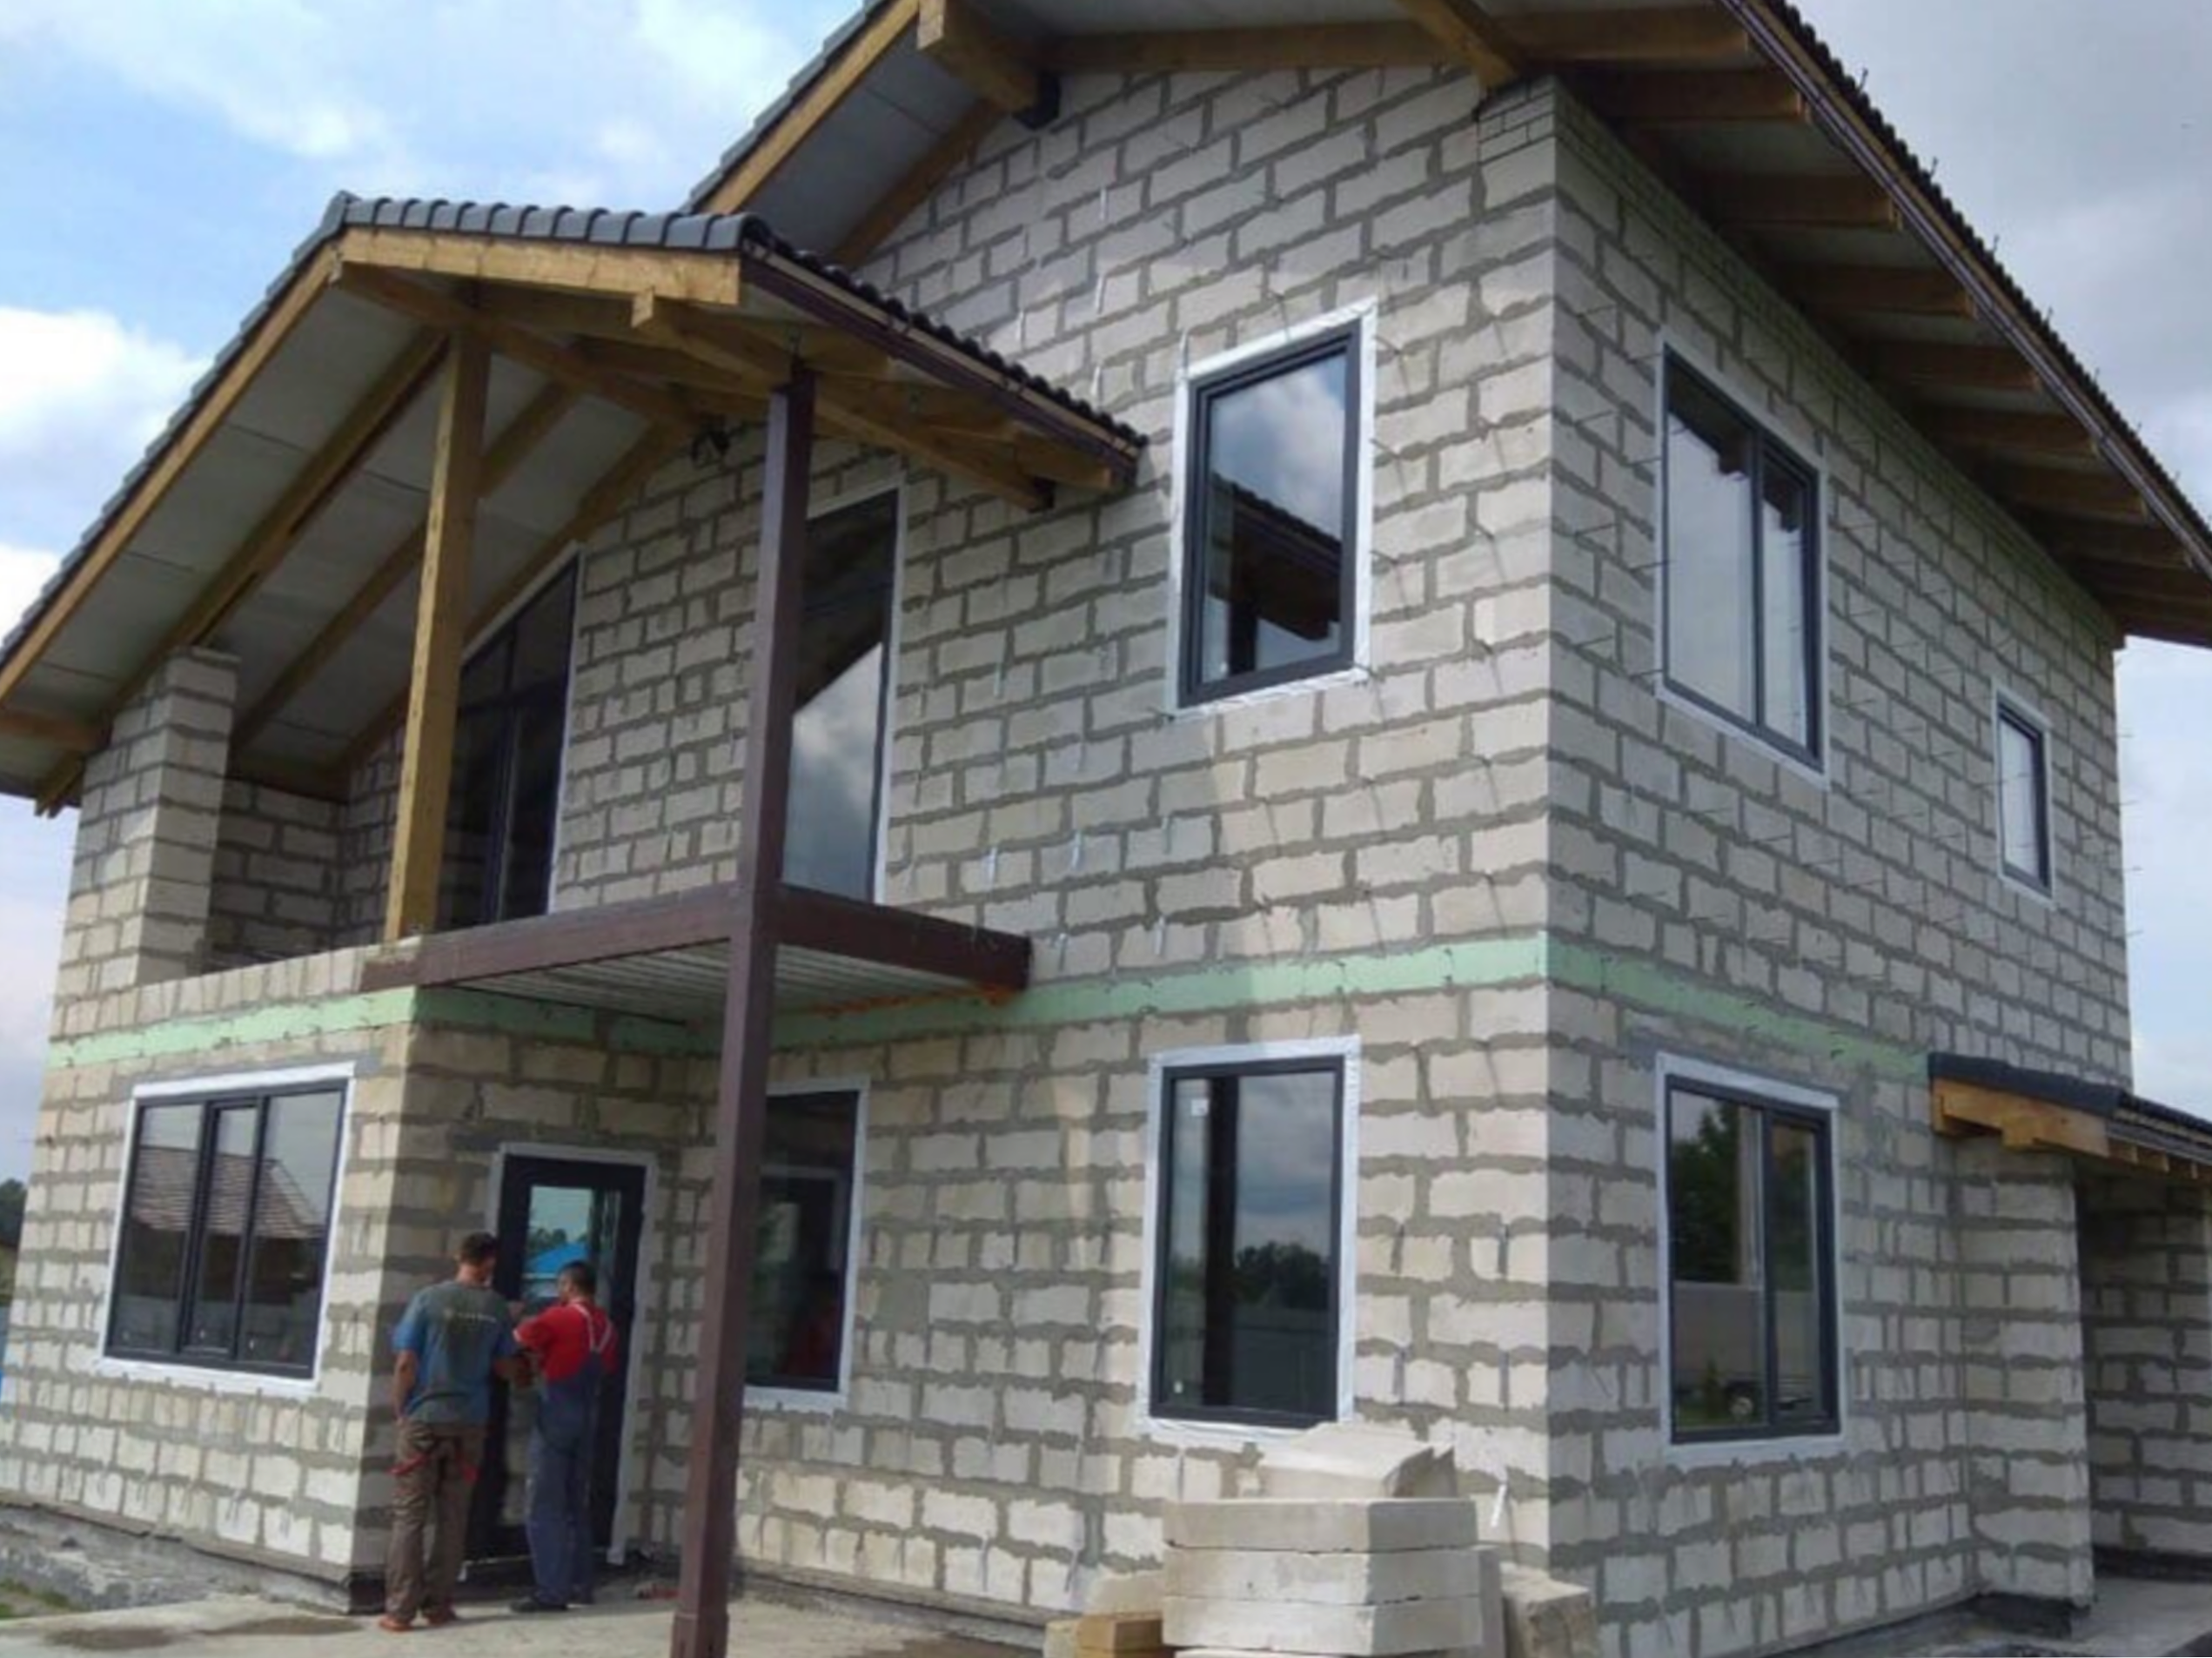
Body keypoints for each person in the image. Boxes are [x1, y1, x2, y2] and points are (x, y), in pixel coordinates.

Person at [381, 1232, 519, 1635]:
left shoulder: (429, 1300)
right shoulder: (495, 1307)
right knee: (454, 1517)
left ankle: (400, 1611)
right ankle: (439, 1604)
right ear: (491, 1262)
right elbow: (505, 1368)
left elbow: (406, 1362)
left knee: (409, 1516)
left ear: (459, 1256)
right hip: (469, 1423)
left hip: (424, 1419)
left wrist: (400, 1409)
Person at [511, 1260, 620, 1614]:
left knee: (543, 1504)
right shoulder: (607, 1327)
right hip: (587, 1418)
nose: (558, 1292)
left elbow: (518, 1339)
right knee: (576, 1504)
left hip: (556, 1416)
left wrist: (515, 1317)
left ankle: (550, 1591)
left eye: (560, 1286)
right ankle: (579, 1585)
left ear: (569, 1286)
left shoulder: (560, 1317)